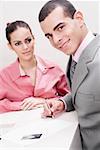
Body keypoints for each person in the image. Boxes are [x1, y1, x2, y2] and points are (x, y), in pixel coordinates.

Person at [38, 0, 100, 149]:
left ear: (78, 18)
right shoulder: (76, 55)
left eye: (60, 27)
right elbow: (89, 94)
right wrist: (64, 102)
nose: (56, 40)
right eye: (49, 36)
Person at [0, 20, 69, 113]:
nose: (25, 47)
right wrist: (21, 105)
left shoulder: (54, 69)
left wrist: (44, 101)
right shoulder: (4, 76)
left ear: (34, 39)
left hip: (54, 123)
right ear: (10, 46)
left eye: (28, 40)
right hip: (21, 125)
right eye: (17, 43)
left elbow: (70, 99)